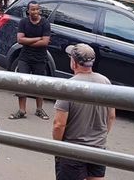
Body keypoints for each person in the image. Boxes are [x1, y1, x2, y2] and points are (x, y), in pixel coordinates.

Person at [53, 44, 116, 180]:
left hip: (73, 151)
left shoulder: (68, 86)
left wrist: (57, 148)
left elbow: (59, 124)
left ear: (74, 63)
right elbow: (111, 116)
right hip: (98, 149)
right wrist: (100, 137)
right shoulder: (105, 82)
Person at [9, 1, 51, 121]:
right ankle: (22, 110)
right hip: (25, 58)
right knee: (22, 83)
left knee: (39, 84)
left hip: (40, 58)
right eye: (32, 9)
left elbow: (45, 42)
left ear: (39, 10)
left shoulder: (45, 23)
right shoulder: (23, 22)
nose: (35, 12)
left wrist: (29, 40)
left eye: (37, 9)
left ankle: (39, 109)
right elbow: (20, 40)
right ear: (28, 11)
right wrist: (38, 38)